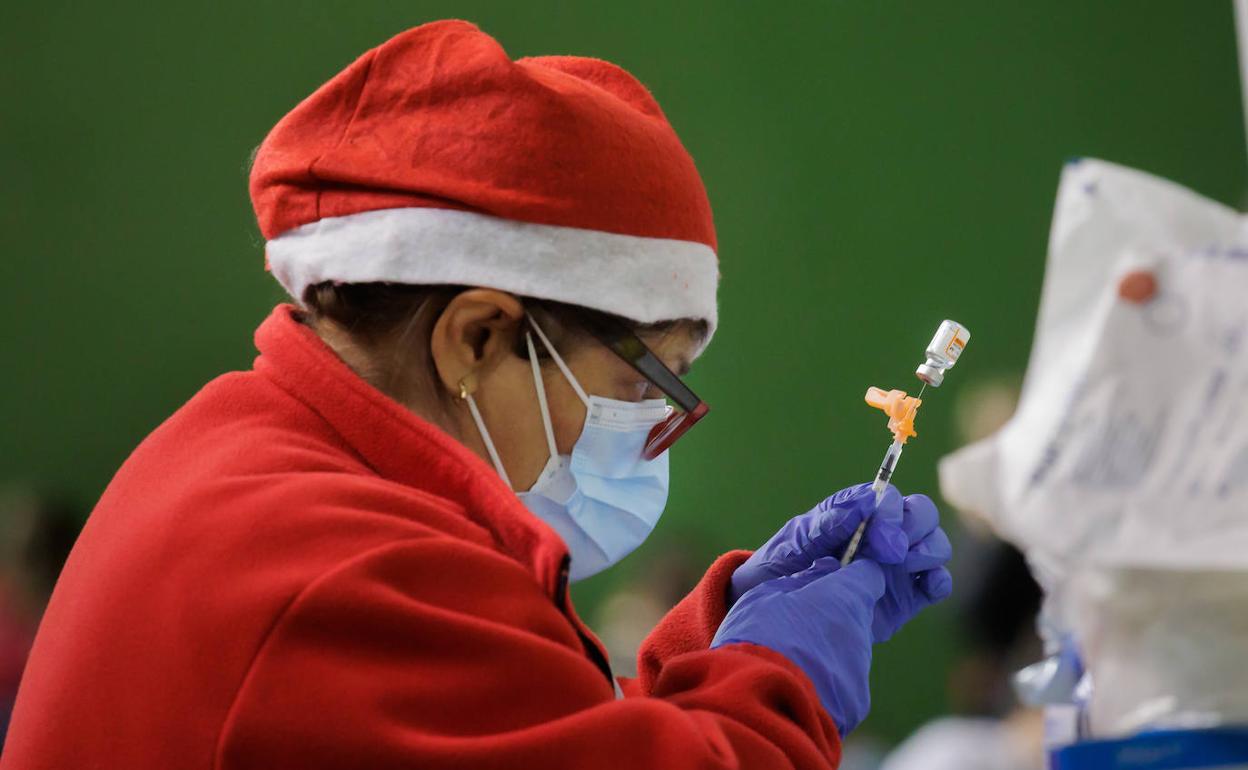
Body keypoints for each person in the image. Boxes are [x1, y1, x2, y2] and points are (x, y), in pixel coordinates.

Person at [1, 20, 952, 770]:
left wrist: (722, 636)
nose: (653, 431)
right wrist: (781, 679)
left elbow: (541, 726)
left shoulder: (263, 455)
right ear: (479, 336)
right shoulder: (343, 568)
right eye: (642, 380)